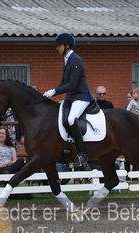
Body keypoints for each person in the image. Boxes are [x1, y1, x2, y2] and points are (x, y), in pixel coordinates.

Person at [43, 33, 92, 171]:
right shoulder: (67, 60)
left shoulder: (75, 60)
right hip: (71, 98)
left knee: (71, 119)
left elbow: (72, 84)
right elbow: (64, 83)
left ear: (67, 45)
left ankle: (82, 154)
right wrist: (54, 92)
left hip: (81, 97)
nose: (56, 48)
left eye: (58, 45)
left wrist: (54, 91)